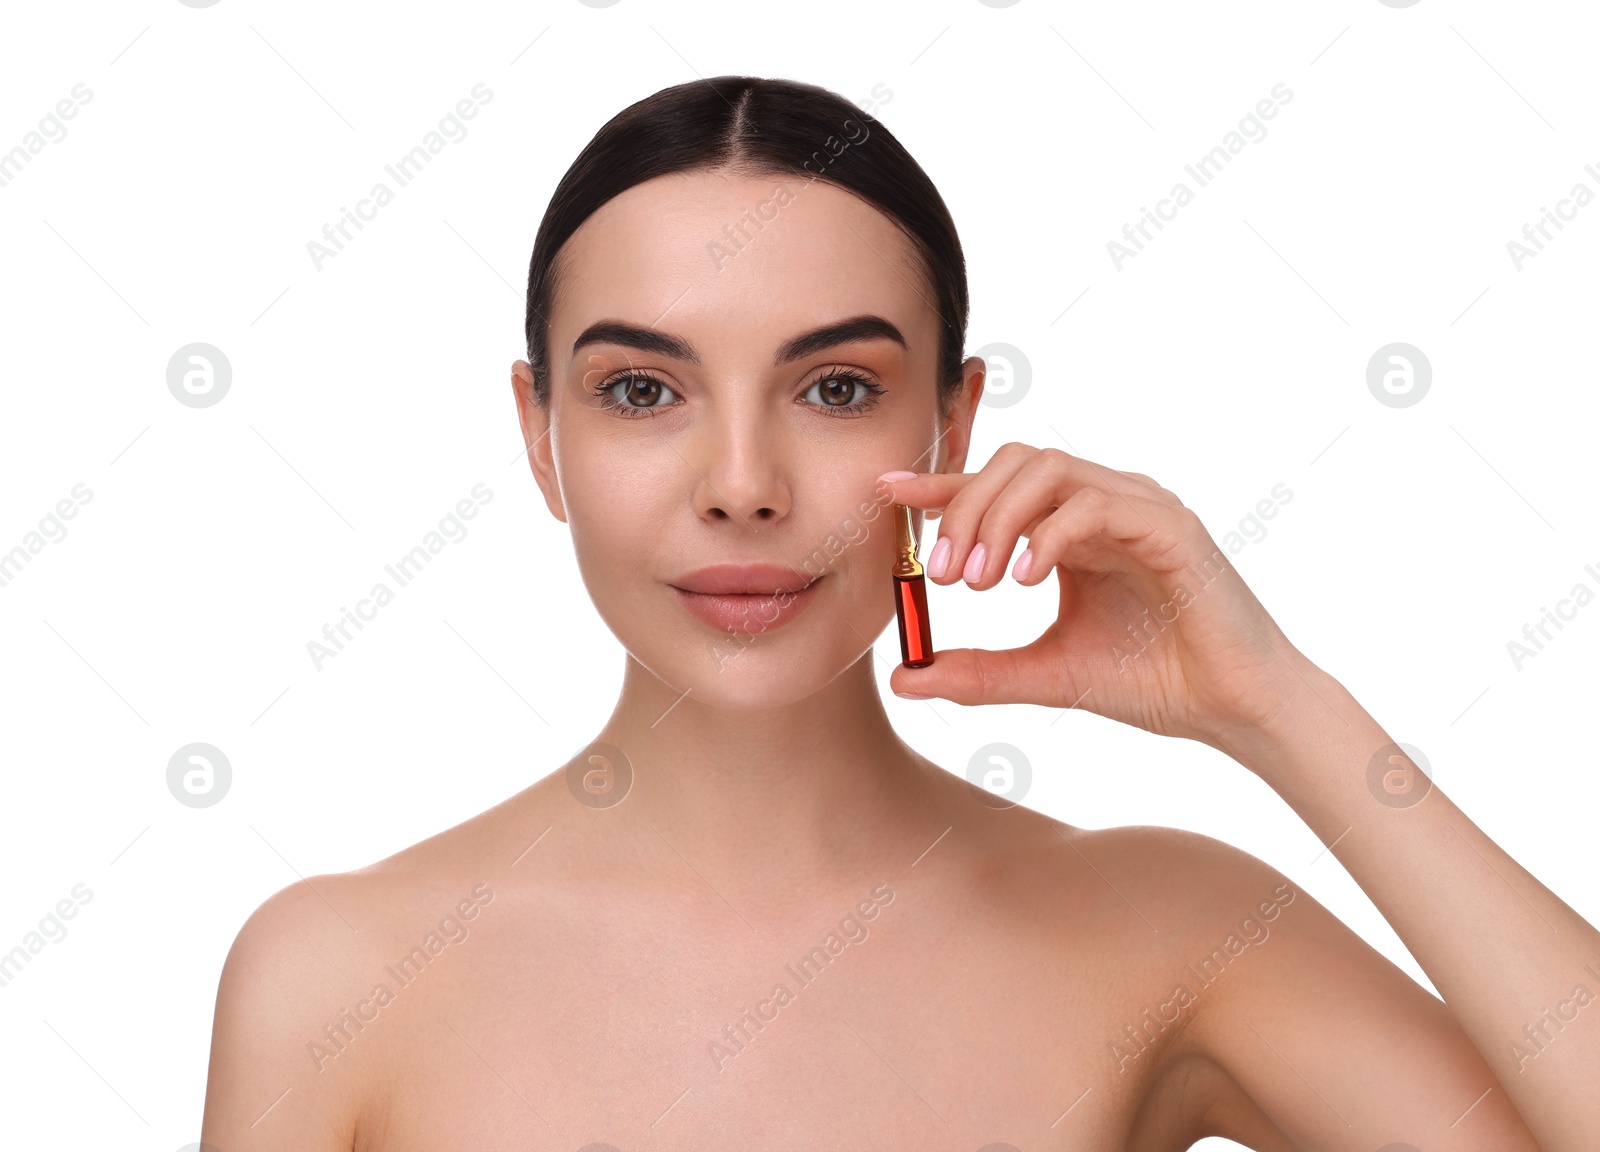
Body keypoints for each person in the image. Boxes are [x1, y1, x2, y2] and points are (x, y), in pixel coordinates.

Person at [200, 75, 1597, 1150]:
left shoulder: (1171, 929)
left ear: (954, 417)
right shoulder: (334, 976)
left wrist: (1280, 706)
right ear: (538, 434)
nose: (741, 487)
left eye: (834, 389)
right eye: (641, 391)